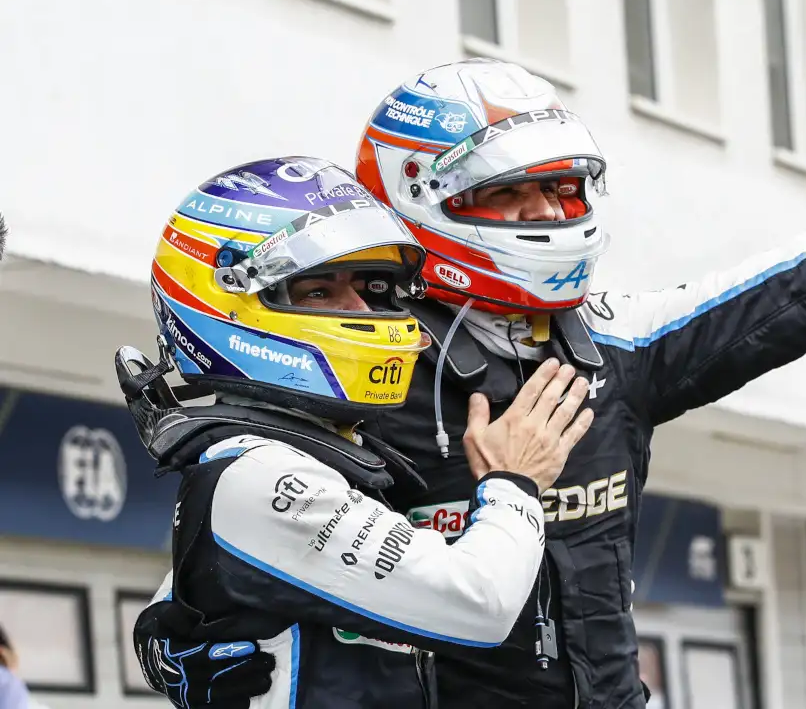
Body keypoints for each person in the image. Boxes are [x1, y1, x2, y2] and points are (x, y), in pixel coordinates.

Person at [136, 0, 806, 709]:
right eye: (513, 194)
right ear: (421, 193)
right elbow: (240, 511)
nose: (548, 216)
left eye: (563, 189)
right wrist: (177, 626)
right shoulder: (351, 356)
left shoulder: (618, 343)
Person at [121, 157, 594, 707]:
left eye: (370, 288)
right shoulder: (255, 473)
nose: (362, 310)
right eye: (320, 292)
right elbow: (481, 604)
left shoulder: (302, 459)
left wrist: (165, 624)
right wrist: (514, 482)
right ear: (229, 301)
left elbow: (208, 594)